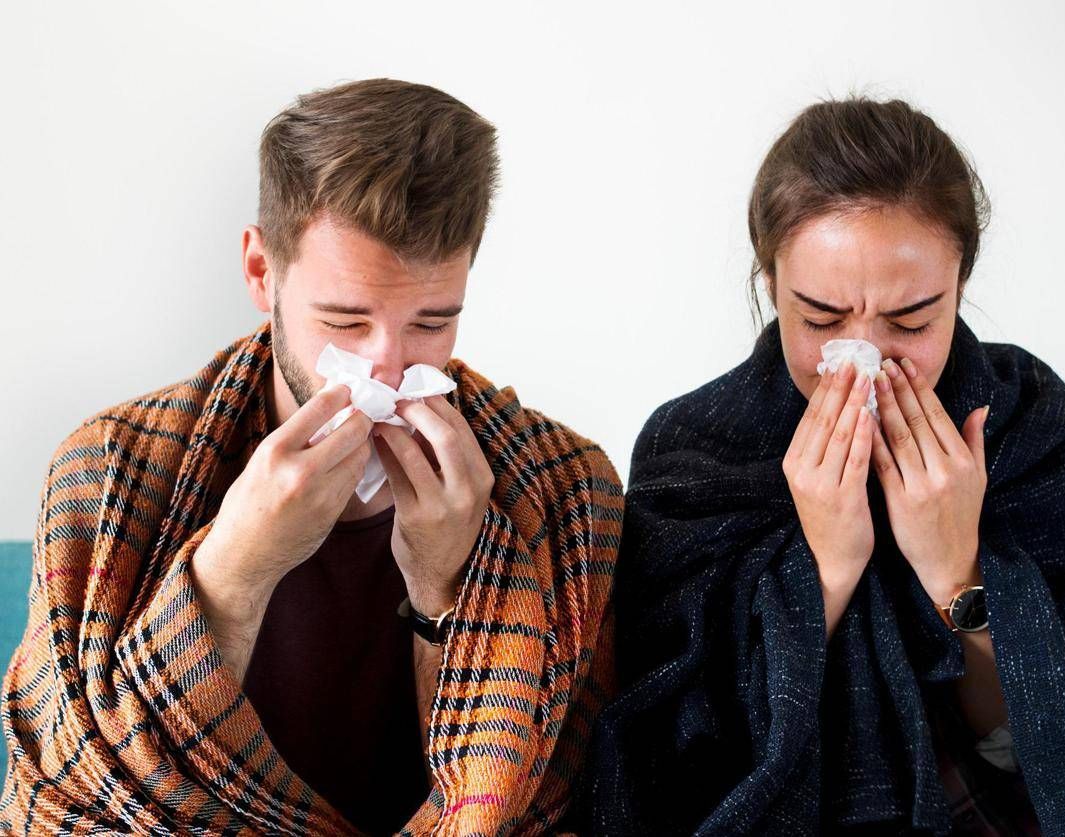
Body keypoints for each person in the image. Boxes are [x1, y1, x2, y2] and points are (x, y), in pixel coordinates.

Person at [1, 78, 623, 836]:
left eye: (432, 323)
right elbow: (63, 801)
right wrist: (233, 575)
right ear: (261, 271)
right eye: (345, 321)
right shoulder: (109, 472)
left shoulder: (567, 493)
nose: (387, 367)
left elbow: (557, 805)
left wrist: (446, 588)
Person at [584, 97, 1065, 835]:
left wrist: (957, 571)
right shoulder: (692, 449)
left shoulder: (1055, 437)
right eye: (821, 319)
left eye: (912, 321)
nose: (864, 360)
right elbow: (668, 762)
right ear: (770, 283)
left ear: (961, 285)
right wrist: (824, 572)